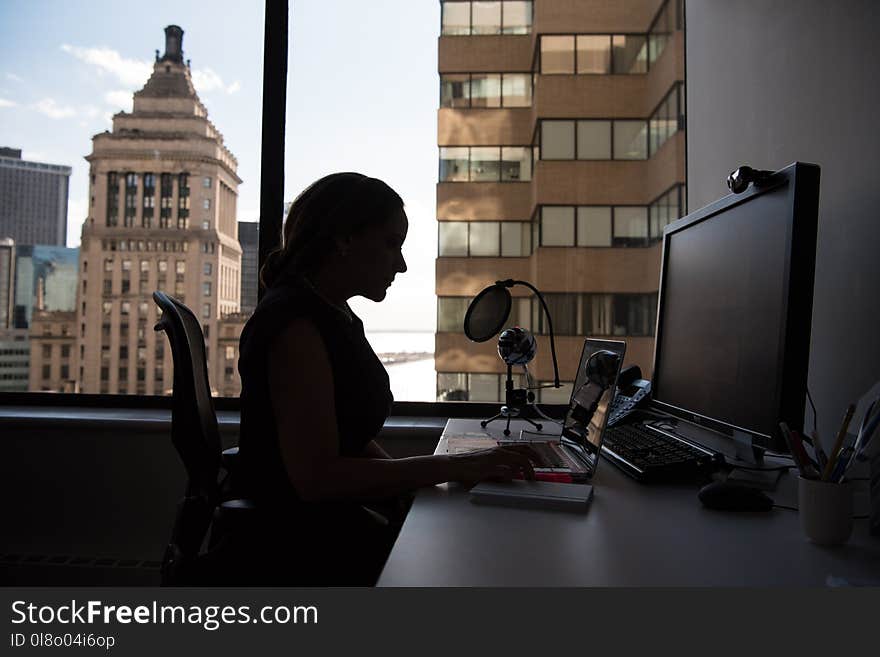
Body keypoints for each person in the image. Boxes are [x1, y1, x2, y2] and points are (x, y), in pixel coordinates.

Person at [233, 172, 535, 585]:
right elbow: (317, 478)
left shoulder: (332, 313)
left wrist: (408, 487)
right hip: (298, 547)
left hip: (323, 526)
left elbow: (348, 436)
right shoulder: (296, 325)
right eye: (392, 243)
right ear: (344, 239)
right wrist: (448, 467)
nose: (402, 263)